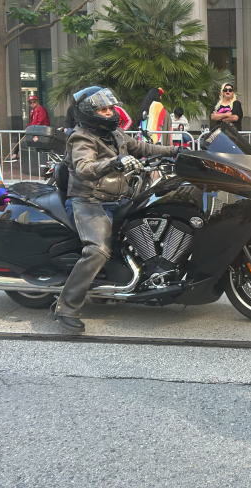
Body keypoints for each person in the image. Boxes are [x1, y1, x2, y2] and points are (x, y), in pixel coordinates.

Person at [51, 86, 180, 334]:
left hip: (117, 197)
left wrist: (177, 151)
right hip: (88, 200)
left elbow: (143, 149)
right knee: (97, 250)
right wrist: (115, 161)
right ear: (90, 113)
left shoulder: (115, 133)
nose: (110, 113)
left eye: (110, 108)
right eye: (103, 109)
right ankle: (65, 307)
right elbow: (84, 167)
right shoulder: (82, 138)